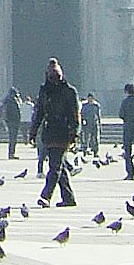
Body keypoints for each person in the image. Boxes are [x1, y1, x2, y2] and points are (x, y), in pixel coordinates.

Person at [29, 61, 79, 206]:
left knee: (55, 166)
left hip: (63, 132)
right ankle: (68, 198)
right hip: (50, 132)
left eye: (56, 76)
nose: (54, 79)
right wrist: (33, 132)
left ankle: (46, 196)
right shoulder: (44, 91)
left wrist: (75, 133)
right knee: (59, 166)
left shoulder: (69, 91)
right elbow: (39, 112)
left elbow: (75, 115)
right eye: (52, 76)